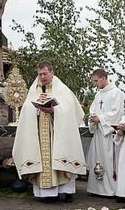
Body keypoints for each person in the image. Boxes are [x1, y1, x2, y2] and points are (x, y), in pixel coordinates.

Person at [13, 61, 86, 202]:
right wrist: (36, 105)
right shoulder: (34, 89)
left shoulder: (62, 89)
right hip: (41, 135)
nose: (42, 77)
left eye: (45, 73)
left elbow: (71, 111)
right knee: (44, 161)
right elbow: (26, 109)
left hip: (59, 133)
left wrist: (55, 110)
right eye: (40, 74)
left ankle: (67, 192)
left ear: (52, 73)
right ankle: (47, 194)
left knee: (62, 157)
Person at [87, 69, 125, 197]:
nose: (95, 84)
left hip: (108, 134)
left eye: (96, 81)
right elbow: (93, 110)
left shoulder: (116, 93)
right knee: (97, 160)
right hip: (98, 133)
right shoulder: (98, 95)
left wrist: (101, 119)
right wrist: (93, 119)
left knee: (109, 161)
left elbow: (117, 112)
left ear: (104, 78)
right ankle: (96, 189)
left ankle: (110, 189)